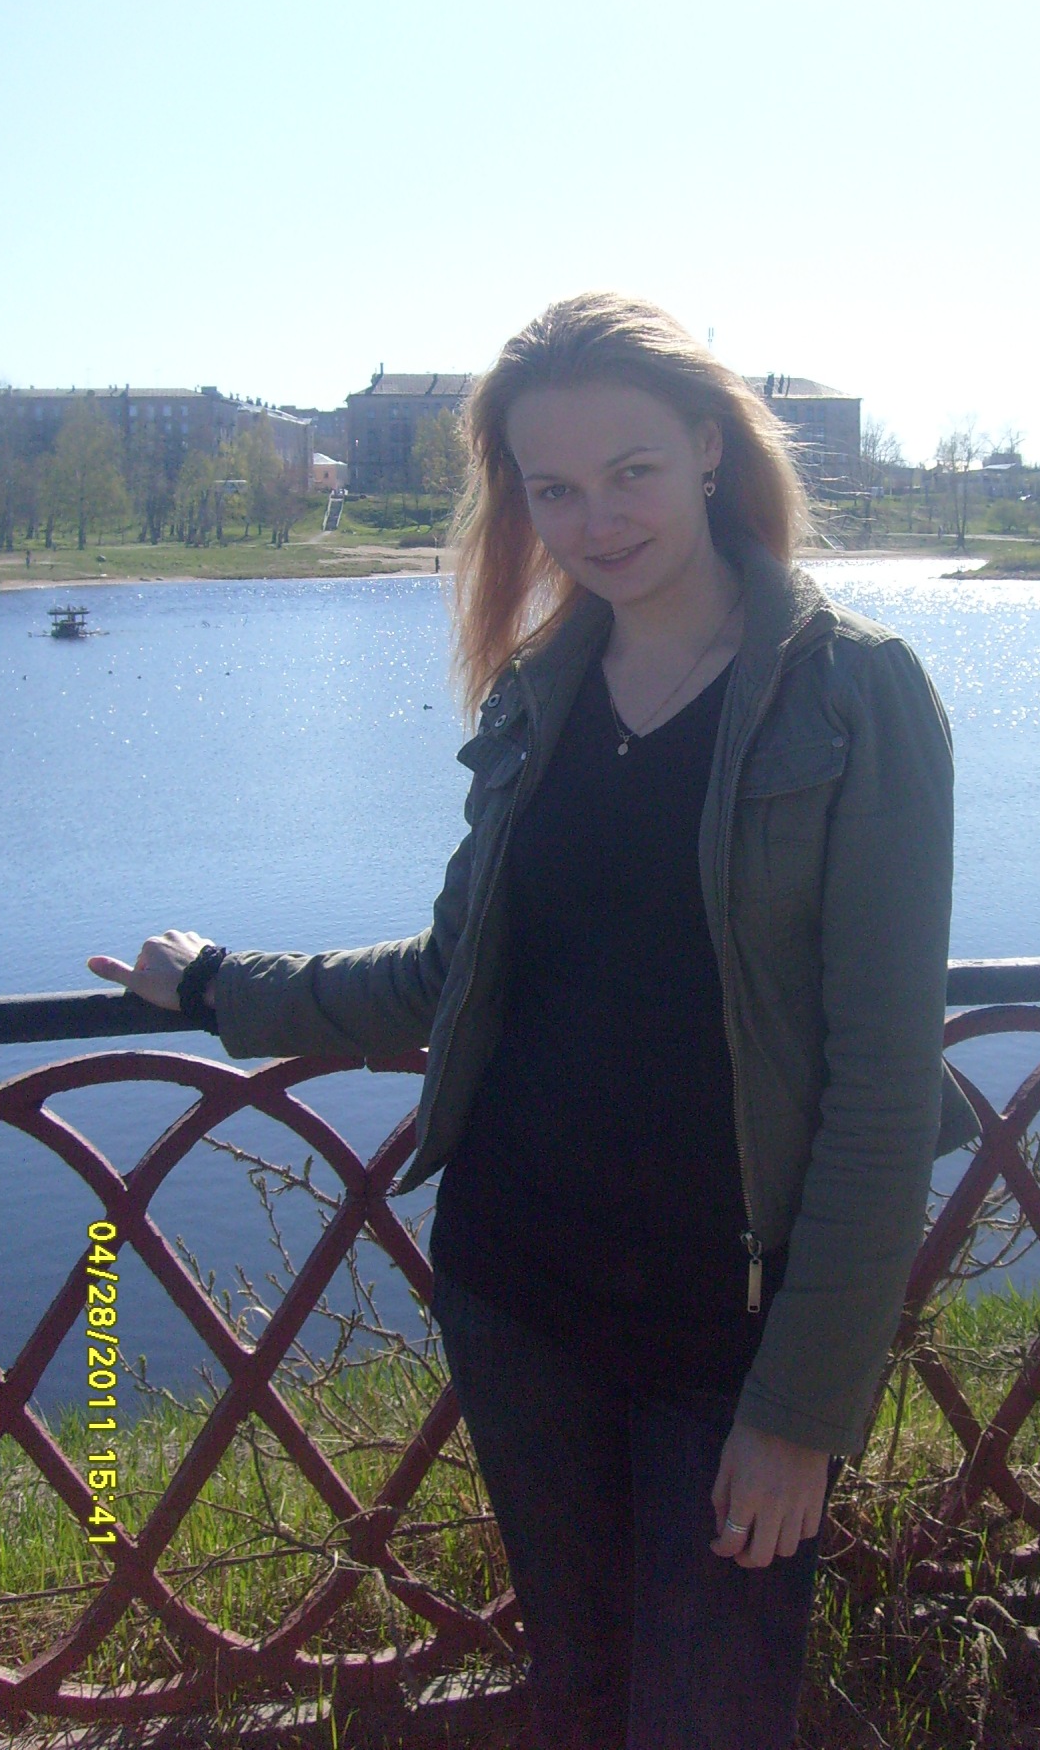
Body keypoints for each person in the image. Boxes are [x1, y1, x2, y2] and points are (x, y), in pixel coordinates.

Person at [90, 292, 959, 1750]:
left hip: (728, 1331)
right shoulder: (537, 692)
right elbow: (452, 972)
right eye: (552, 488)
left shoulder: (850, 691)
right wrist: (224, 984)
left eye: (630, 471)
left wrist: (804, 1409)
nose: (594, 520)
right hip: (520, 1292)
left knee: (713, 1715)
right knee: (579, 1691)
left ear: (707, 448)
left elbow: (884, 1083)